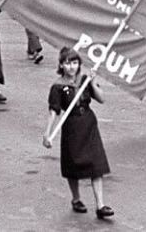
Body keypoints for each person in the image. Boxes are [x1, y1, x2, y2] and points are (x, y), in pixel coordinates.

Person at [42, 48, 114, 220]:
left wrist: (93, 82)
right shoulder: (57, 86)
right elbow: (54, 111)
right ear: (61, 65)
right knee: (73, 163)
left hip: (88, 124)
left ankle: (100, 205)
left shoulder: (84, 80)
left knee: (96, 164)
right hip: (71, 126)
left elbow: (101, 98)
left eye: (75, 63)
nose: (72, 67)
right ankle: (76, 199)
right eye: (68, 63)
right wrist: (47, 133)